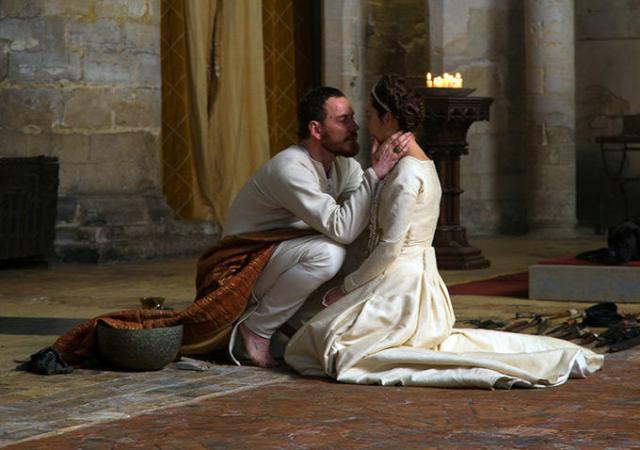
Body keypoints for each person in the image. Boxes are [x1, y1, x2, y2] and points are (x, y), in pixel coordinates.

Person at [284, 75, 604, 389]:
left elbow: (390, 247)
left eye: (368, 116)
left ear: (388, 118)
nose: (364, 124)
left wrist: (347, 288)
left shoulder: (407, 173)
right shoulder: (415, 164)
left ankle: (549, 361)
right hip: (408, 278)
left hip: (401, 286)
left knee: (331, 348)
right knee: (315, 340)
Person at [222, 86, 412, 368]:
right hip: (242, 268)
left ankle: (300, 323)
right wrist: (375, 173)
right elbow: (343, 229)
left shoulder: (345, 167)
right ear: (316, 129)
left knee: (367, 247)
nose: (355, 127)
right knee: (328, 253)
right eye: (343, 120)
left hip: (282, 259)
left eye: (353, 118)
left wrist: (378, 176)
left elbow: (362, 220)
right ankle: (257, 328)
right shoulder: (289, 167)